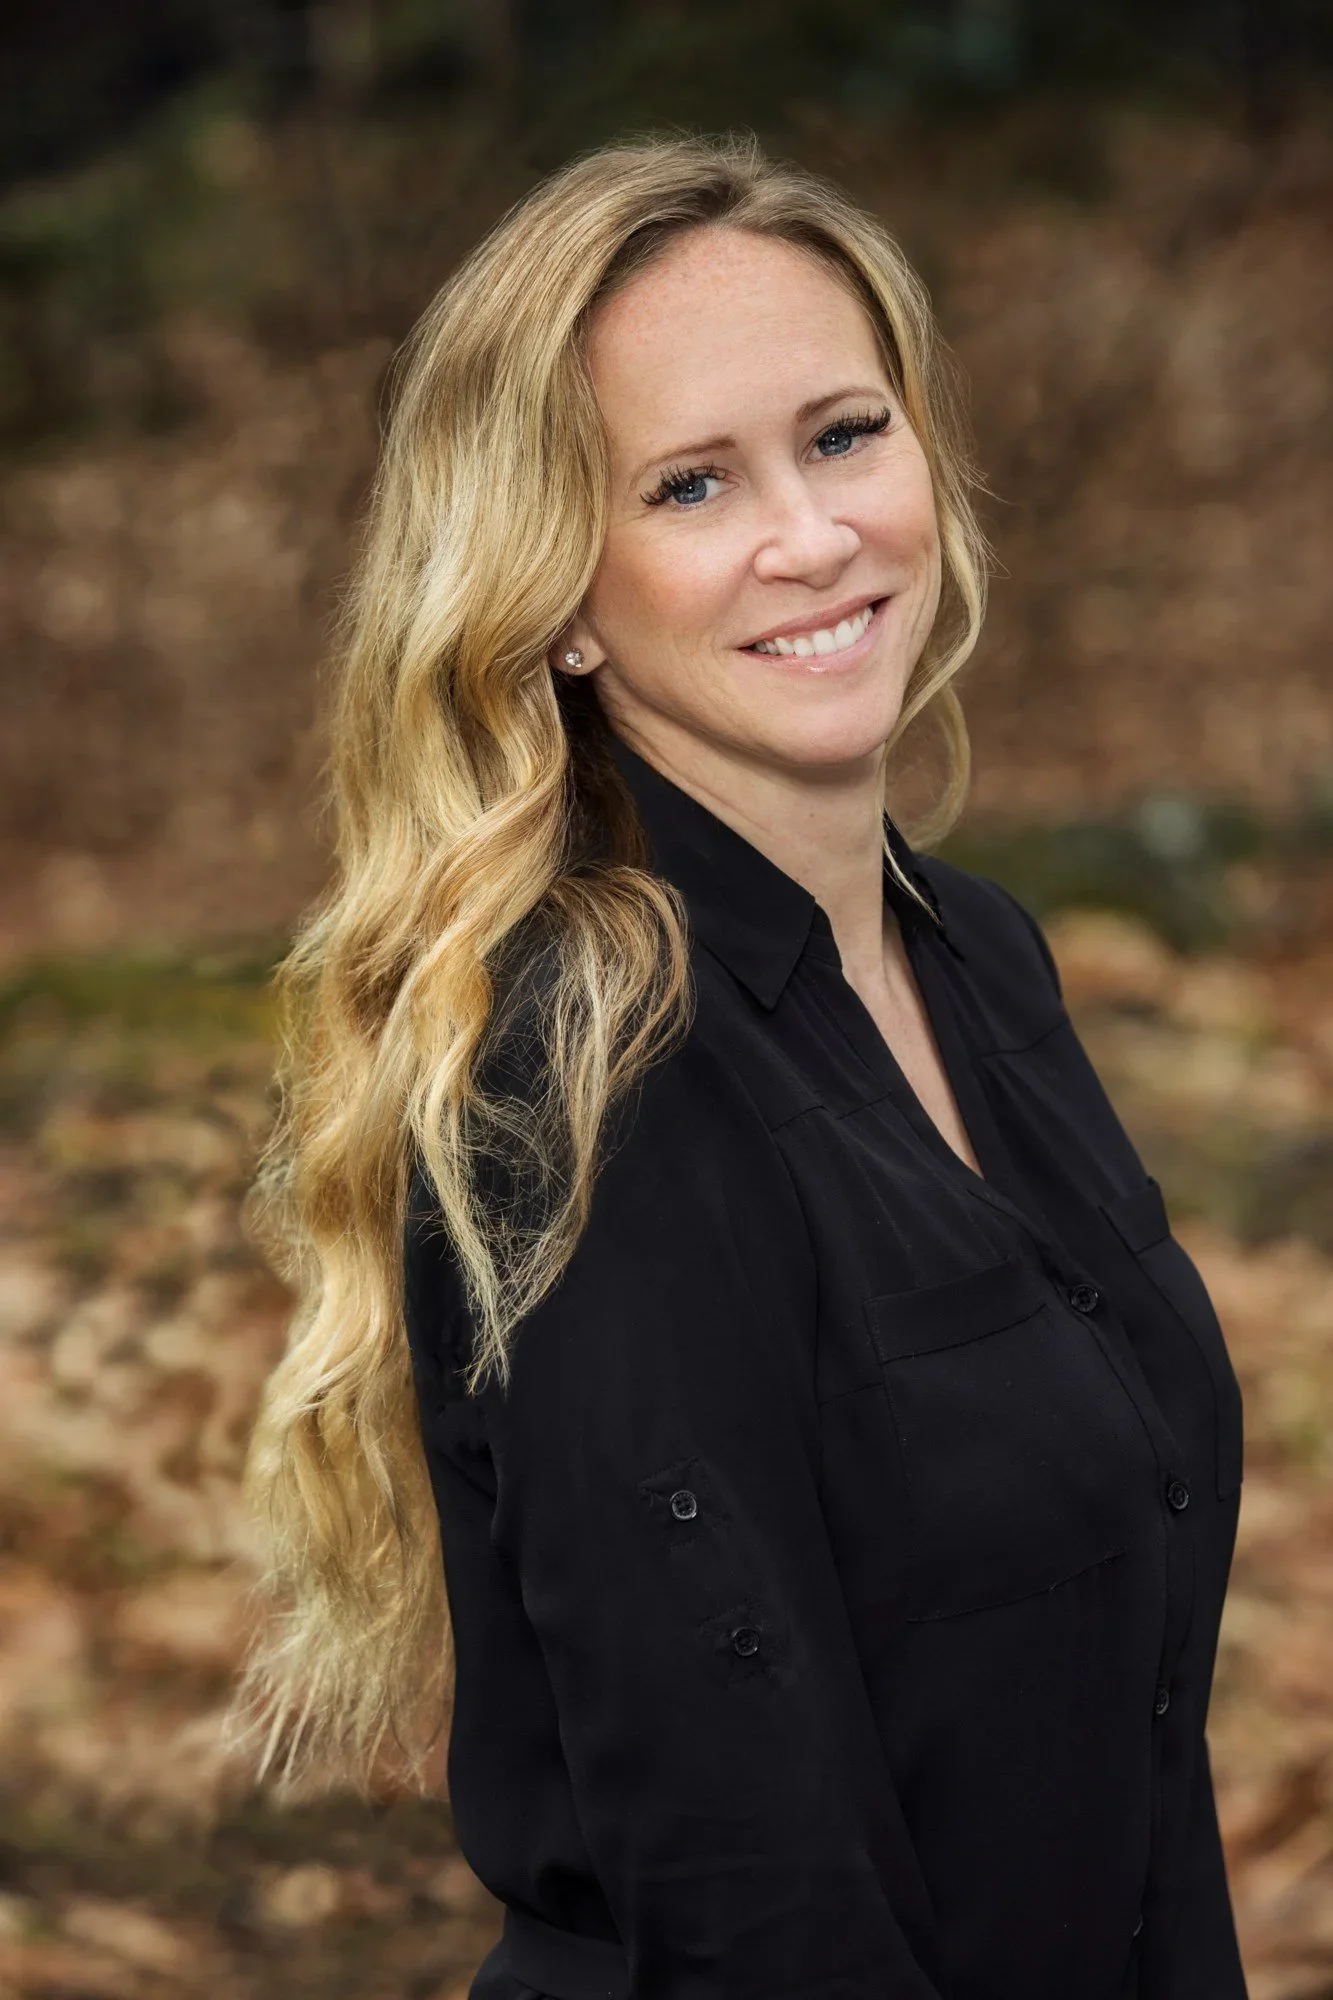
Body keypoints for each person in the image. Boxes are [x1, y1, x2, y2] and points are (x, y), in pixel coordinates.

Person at [233, 130, 1248, 2000]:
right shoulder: (596, 1078)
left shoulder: (983, 961)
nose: (812, 534)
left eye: (845, 434)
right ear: (551, 595)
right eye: (693, 484)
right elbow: (750, 1876)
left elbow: (1127, 1733)